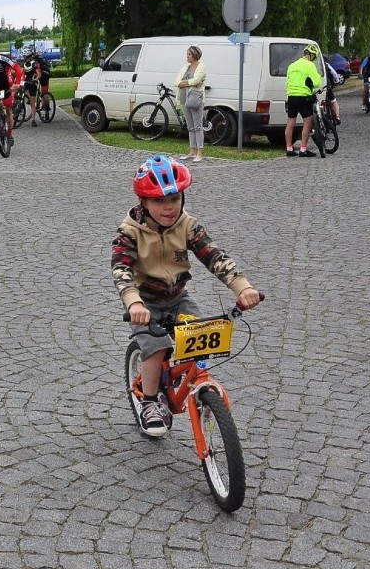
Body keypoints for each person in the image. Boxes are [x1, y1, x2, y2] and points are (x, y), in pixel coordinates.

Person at [111, 155, 261, 436]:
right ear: (144, 202)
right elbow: (121, 270)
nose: (169, 207)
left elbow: (214, 256)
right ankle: (150, 402)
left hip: (178, 297)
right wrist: (133, 302)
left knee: (199, 336)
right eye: (159, 201)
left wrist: (243, 287)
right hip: (145, 301)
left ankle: (194, 384)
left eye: (175, 198)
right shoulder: (129, 232)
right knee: (155, 347)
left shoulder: (187, 225)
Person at [284, 44, 323, 157]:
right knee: (308, 122)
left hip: (291, 96)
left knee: (290, 122)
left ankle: (289, 148)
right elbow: (316, 82)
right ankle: (303, 149)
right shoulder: (310, 65)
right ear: (312, 56)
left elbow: (288, 80)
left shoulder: (291, 65)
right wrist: (314, 82)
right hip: (303, 96)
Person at [174, 45, 208, 162]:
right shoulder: (185, 68)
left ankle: (200, 152)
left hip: (196, 98)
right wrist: (186, 83)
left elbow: (197, 80)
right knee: (190, 127)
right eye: (187, 54)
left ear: (195, 55)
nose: (187, 56)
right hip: (184, 97)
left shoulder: (202, 67)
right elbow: (177, 81)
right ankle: (192, 151)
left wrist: (186, 83)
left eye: (189, 54)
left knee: (198, 126)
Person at [322, 55, 343, 124]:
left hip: (317, 88)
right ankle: (337, 117)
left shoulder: (313, 65)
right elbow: (334, 74)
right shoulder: (326, 65)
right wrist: (337, 82)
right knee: (334, 102)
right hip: (327, 86)